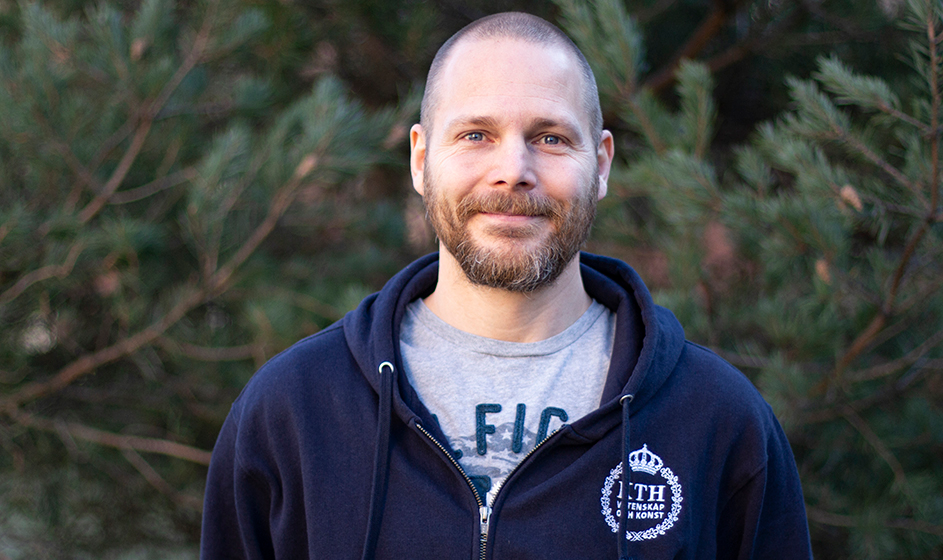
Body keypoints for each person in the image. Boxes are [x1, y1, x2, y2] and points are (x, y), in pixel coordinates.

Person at [200, 11, 812, 560]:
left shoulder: (718, 421)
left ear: (600, 165)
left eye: (549, 137)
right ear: (420, 159)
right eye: (475, 135)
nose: (512, 171)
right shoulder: (295, 410)